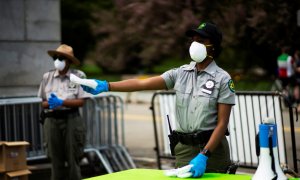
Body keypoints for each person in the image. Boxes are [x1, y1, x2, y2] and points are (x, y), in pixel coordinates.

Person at [82, 22, 235, 178]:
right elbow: (142, 83)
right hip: (184, 149)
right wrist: (107, 86)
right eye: (194, 40)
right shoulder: (180, 73)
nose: (195, 44)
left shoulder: (222, 79)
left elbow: (222, 124)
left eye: (201, 41)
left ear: (214, 45)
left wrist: (204, 155)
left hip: (212, 152)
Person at [38, 44, 88, 180]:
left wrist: (62, 102)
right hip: (51, 119)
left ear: (69, 61)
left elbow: (81, 101)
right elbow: (43, 102)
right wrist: (50, 103)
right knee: (55, 159)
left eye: (61, 58)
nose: (57, 60)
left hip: (71, 118)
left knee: (73, 157)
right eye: (56, 57)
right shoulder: (47, 77)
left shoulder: (77, 76)